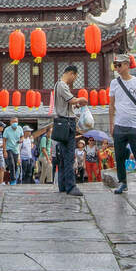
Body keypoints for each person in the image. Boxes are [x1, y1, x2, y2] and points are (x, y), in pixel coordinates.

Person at [108, 54, 136, 195]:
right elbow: (111, 105)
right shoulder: (114, 83)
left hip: (135, 124)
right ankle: (122, 182)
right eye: (116, 65)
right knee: (119, 155)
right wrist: (111, 124)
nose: (117, 68)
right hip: (119, 124)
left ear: (127, 65)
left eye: (119, 65)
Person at [52, 66, 84, 196]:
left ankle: (63, 185)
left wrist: (75, 104)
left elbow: (68, 103)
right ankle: (71, 186)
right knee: (69, 156)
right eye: (75, 77)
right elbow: (72, 100)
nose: (74, 80)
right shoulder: (62, 85)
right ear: (71, 74)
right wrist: (81, 99)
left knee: (63, 156)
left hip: (62, 122)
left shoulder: (57, 85)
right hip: (67, 123)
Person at [3, 116, 23, 185]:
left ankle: (14, 178)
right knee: (11, 164)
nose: (15, 123)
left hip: (16, 149)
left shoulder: (20, 128)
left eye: (16, 122)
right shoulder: (7, 130)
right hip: (9, 148)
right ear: (10, 122)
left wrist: (21, 140)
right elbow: (4, 140)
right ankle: (13, 179)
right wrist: (4, 151)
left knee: (15, 166)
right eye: (13, 122)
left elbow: (22, 136)